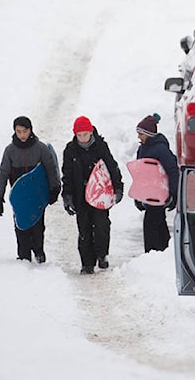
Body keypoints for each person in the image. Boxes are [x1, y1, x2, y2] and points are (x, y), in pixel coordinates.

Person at [0, 116, 60, 263]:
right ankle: (24, 257)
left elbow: (50, 168)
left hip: (37, 194)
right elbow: (3, 174)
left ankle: (38, 251)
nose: (22, 135)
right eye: (19, 131)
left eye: (25, 131)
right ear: (14, 132)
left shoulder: (40, 148)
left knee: (38, 225)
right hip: (20, 197)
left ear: (30, 130)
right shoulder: (10, 151)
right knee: (21, 225)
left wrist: (54, 188)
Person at [61, 116, 123, 274]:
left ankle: (102, 255)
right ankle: (87, 263)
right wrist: (67, 196)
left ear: (91, 132)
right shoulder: (70, 150)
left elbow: (112, 167)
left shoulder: (100, 146)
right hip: (80, 195)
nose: (82, 138)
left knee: (101, 226)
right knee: (84, 229)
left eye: (85, 134)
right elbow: (67, 174)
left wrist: (118, 187)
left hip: (100, 193)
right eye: (79, 135)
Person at [132, 113, 179, 253]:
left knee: (151, 224)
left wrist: (173, 194)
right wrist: (138, 196)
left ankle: (153, 253)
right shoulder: (142, 148)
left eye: (140, 133)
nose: (138, 137)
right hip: (149, 193)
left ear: (148, 134)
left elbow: (172, 171)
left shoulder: (161, 149)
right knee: (158, 223)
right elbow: (139, 173)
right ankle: (163, 251)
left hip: (159, 194)